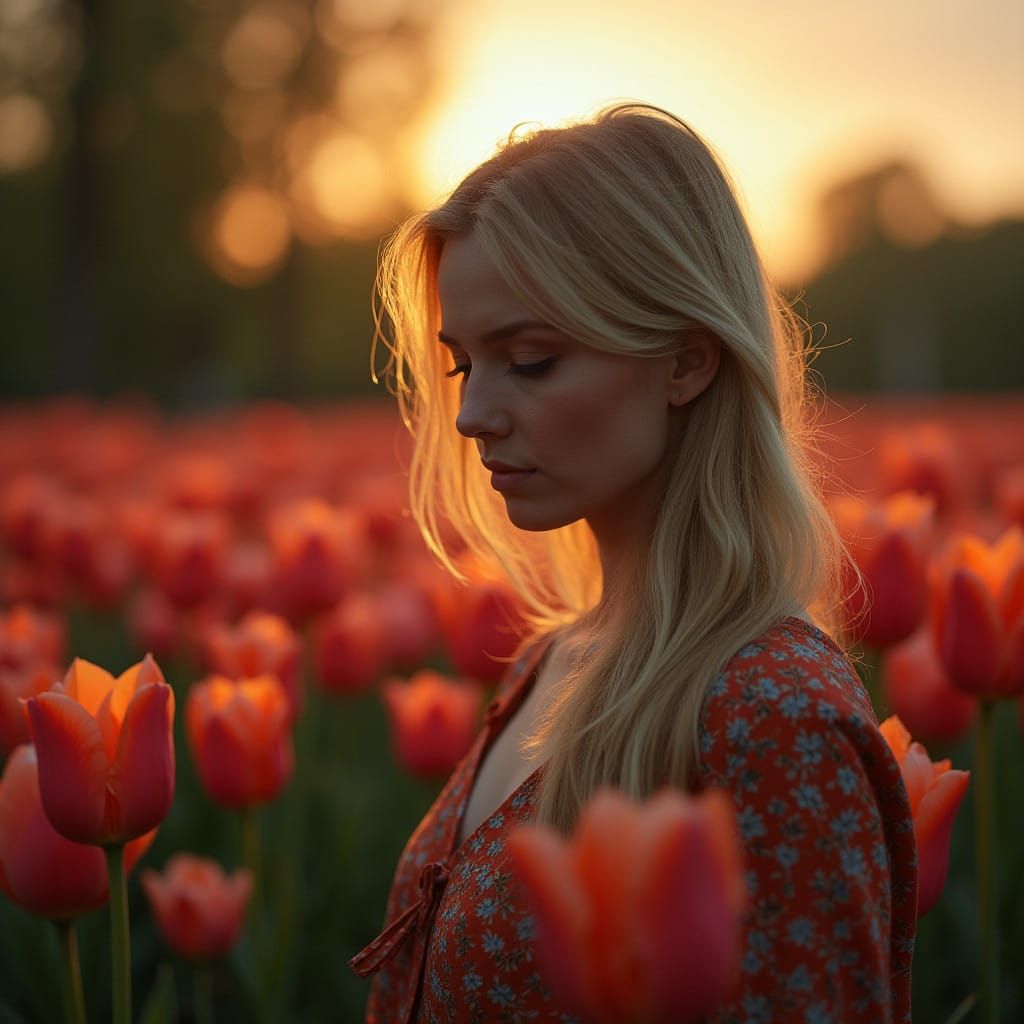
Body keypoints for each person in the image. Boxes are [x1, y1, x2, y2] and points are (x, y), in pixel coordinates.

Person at [350, 103, 917, 1023]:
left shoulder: (771, 719)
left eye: (530, 361)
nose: (470, 415)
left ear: (687, 362)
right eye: (462, 366)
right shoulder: (556, 658)